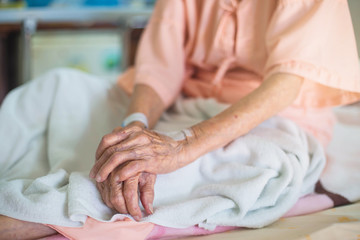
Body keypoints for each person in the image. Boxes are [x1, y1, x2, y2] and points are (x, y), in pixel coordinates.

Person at [1, 0, 360, 239]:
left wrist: (183, 145)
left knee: (236, 167)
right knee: (56, 88)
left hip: (270, 115)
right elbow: (161, 67)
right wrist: (136, 128)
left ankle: (30, 212)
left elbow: (285, 83)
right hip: (184, 99)